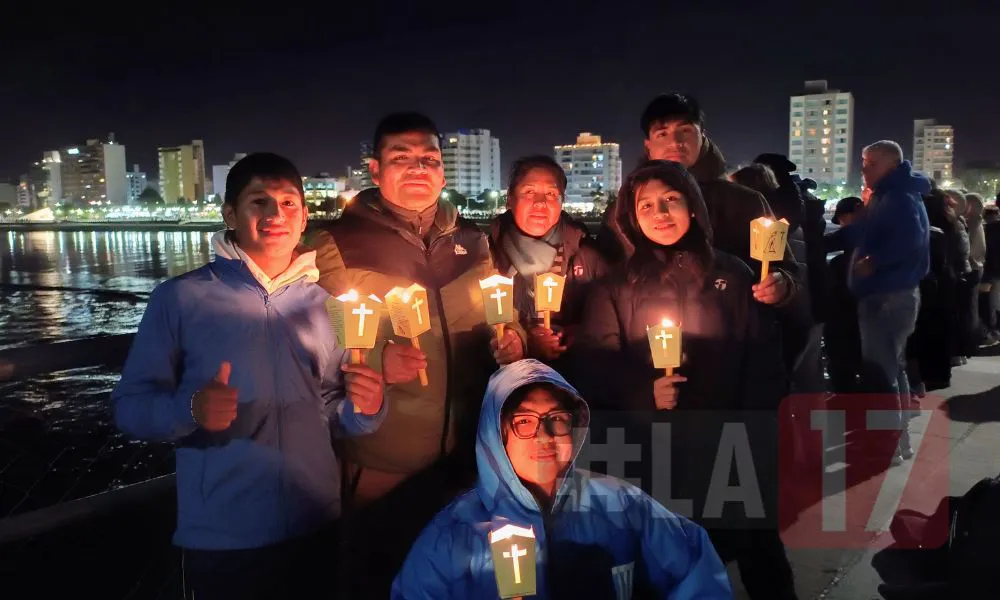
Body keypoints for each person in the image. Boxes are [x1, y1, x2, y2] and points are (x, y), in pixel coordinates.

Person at [112, 153, 386, 600]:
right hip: (224, 537)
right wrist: (191, 409)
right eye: (259, 201)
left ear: (303, 220)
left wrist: (368, 406)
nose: (276, 215)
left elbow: (334, 408)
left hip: (315, 520)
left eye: (289, 203)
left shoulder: (327, 305)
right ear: (230, 215)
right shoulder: (179, 299)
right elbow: (129, 406)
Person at [311, 112, 526, 598]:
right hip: (383, 459)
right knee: (380, 578)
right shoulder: (337, 245)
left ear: (443, 172)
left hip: (468, 456)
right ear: (374, 169)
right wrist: (377, 367)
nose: (416, 168)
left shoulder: (472, 243)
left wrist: (512, 340)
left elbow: (500, 317)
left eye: (428, 159)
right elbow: (319, 352)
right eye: (400, 158)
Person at [568, 160, 796, 599]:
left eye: (672, 199)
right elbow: (594, 367)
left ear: (693, 206)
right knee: (666, 561)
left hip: (729, 444)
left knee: (759, 553)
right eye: (646, 204)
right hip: (654, 453)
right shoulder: (616, 288)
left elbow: (763, 362)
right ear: (631, 217)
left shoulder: (733, 275)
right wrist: (643, 392)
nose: (661, 213)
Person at [391, 359, 733, 600]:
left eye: (556, 418)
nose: (545, 436)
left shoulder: (621, 505)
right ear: (497, 435)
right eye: (524, 421)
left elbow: (695, 567)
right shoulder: (454, 535)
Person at [844, 140, 930, 463]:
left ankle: (887, 447)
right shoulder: (891, 194)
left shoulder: (899, 197)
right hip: (891, 295)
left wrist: (875, 261)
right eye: (863, 163)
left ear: (892, 165)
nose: (864, 169)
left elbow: (912, 242)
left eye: (872, 163)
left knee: (881, 375)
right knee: (893, 370)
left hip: (888, 296)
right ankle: (900, 442)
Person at [488, 155, 608, 365]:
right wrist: (521, 340)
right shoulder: (485, 255)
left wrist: (572, 335)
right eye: (529, 192)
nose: (540, 203)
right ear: (509, 199)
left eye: (552, 194)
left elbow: (610, 322)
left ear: (563, 202)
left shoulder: (587, 256)